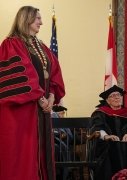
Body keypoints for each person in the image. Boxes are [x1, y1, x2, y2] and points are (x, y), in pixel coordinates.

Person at [0, 6, 65, 180]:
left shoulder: (41, 47)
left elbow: (54, 73)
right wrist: (39, 97)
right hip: (21, 112)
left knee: (42, 151)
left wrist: (51, 95)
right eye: (38, 18)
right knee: (22, 153)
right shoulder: (11, 44)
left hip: (41, 110)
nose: (41, 22)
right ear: (27, 19)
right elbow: (20, 76)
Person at [89, 85, 127, 180]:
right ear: (107, 100)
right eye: (113, 96)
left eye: (119, 95)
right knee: (106, 157)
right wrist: (106, 136)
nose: (117, 97)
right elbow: (96, 127)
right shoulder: (100, 113)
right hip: (108, 147)